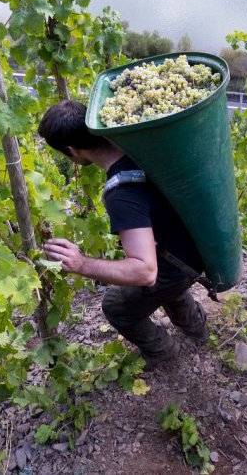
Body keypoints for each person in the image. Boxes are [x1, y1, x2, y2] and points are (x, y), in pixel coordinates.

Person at [38, 100, 208, 368]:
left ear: (72, 151)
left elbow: (145, 272)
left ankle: (164, 354)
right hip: (197, 247)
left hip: (178, 264)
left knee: (116, 305)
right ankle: (198, 329)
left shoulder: (121, 193)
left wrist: (82, 264)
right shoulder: (141, 147)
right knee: (166, 284)